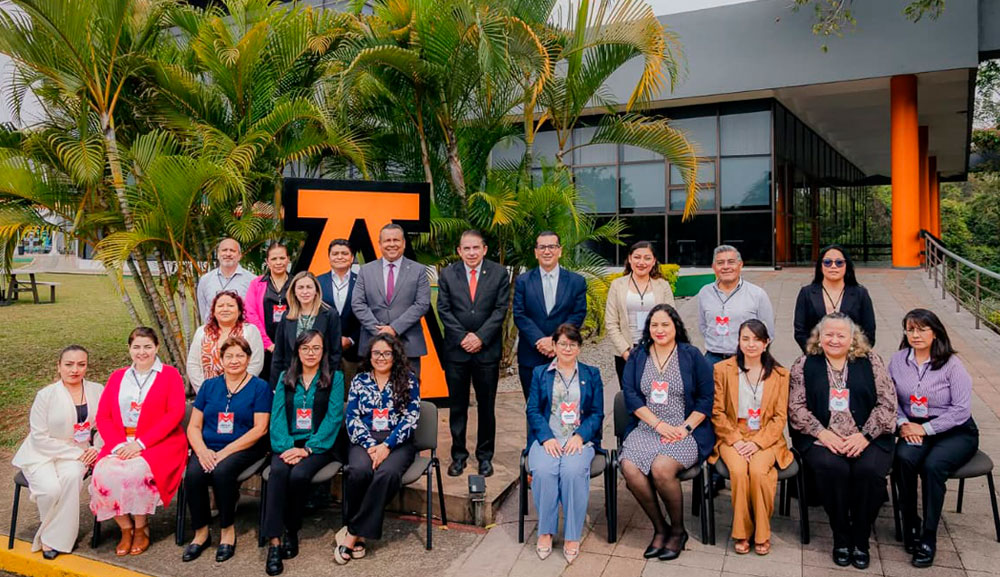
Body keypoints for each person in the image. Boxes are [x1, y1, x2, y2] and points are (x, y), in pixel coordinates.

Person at [788, 313, 895, 570]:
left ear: (852, 338)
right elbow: (796, 407)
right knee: (833, 469)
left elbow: (887, 404)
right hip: (821, 438)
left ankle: (861, 537)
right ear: (819, 337)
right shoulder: (804, 364)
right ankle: (841, 535)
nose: (834, 340)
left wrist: (865, 436)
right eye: (829, 334)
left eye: (841, 335)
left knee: (869, 471)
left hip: (868, 437)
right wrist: (822, 433)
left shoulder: (871, 361)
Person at [619, 304, 714, 562]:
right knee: (629, 467)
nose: (659, 330)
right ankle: (661, 528)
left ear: (676, 327)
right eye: (654, 325)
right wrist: (658, 425)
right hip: (648, 427)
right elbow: (630, 395)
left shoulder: (691, 355)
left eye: (665, 324)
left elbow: (706, 398)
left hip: (685, 430)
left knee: (661, 469)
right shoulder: (638, 355)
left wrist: (684, 428)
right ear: (648, 328)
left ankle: (678, 531)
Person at [888, 308, 977, 568]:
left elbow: (961, 410)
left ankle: (928, 535)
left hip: (955, 430)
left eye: (922, 329)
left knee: (933, 466)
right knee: (904, 458)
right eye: (910, 329)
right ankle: (910, 521)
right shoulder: (898, 360)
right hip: (913, 425)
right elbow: (890, 398)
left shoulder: (952, 364)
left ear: (935, 333)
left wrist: (925, 429)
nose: (915, 335)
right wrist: (903, 424)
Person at [89, 327, 188, 557]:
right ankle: (126, 528)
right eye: (136, 347)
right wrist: (118, 445)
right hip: (120, 442)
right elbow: (103, 416)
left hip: (158, 442)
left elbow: (175, 413)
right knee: (102, 474)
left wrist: (140, 444)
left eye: (147, 347)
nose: (142, 352)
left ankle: (142, 527)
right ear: (129, 349)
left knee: (136, 473)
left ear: (157, 347)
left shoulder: (170, 374)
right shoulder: (118, 376)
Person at [181, 336, 272, 563]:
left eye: (240, 355)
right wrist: (202, 451)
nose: (234, 361)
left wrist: (225, 452)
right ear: (221, 359)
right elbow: (194, 426)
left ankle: (227, 531)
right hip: (209, 446)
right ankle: (201, 533)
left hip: (245, 447)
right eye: (229, 356)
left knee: (222, 472)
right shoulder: (209, 386)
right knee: (193, 475)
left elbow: (260, 429)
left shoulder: (259, 387)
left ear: (248, 359)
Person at [263, 330, 345, 576]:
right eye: (305, 348)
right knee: (278, 472)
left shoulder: (335, 378)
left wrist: (307, 449)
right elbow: (277, 416)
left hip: (319, 445)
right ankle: (274, 543)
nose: (311, 353)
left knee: (299, 475)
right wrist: (288, 446)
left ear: (323, 351)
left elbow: (334, 418)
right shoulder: (285, 377)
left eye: (316, 348)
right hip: (287, 443)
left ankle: (292, 530)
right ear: (297, 351)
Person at [336, 334, 421, 565]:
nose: (381, 358)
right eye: (376, 353)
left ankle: (353, 532)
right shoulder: (360, 380)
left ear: (395, 355)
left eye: (386, 353)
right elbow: (352, 417)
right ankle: (360, 535)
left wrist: (387, 446)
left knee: (387, 474)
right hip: (364, 440)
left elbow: (411, 418)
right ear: (369, 355)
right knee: (358, 471)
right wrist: (371, 445)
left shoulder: (408, 380)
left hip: (397, 442)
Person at [12, 346, 104, 559]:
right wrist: (76, 454)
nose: (75, 370)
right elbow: (39, 437)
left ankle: (56, 540)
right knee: (51, 490)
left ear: (87, 366)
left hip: (80, 450)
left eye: (81, 364)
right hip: (42, 453)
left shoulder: (97, 390)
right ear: (59, 366)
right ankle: (49, 533)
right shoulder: (45, 395)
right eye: (69, 364)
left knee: (72, 477)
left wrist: (96, 448)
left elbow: (103, 426)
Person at [709, 320, 792, 556]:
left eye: (757, 339)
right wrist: (736, 440)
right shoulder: (723, 369)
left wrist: (756, 442)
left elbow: (779, 417)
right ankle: (742, 532)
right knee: (738, 471)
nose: (751, 344)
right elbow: (717, 412)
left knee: (758, 471)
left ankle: (762, 533)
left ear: (766, 343)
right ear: (738, 341)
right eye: (745, 339)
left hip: (765, 435)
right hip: (732, 433)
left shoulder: (780, 374)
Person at [525, 324, 604, 564]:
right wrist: (547, 437)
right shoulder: (540, 373)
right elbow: (532, 409)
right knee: (544, 471)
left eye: (572, 344)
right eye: (562, 344)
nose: (567, 349)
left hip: (578, 440)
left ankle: (572, 535)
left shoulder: (591, 374)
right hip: (548, 438)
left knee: (572, 472)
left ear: (579, 348)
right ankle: (546, 531)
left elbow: (597, 413)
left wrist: (580, 436)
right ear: (554, 346)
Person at [437, 230, 510, 478]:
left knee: (486, 407)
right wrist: (463, 337)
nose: (471, 253)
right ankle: (458, 456)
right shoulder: (448, 274)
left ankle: (484, 456)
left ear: (484, 249)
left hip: (486, 351)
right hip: (456, 352)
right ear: (459, 251)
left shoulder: (499, 273)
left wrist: (480, 337)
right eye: (466, 248)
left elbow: (500, 310)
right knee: (457, 407)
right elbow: (444, 310)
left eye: (475, 248)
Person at [513, 231, 588, 398]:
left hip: (563, 354)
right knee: (533, 406)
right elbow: (519, 314)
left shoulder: (576, 282)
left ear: (559, 251)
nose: (547, 251)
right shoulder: (523, 281)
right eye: (542, 247)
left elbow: (578, 313)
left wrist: (554, 340)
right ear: (536, 252)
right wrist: (540, 340)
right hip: (531, 355)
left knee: (564, 405)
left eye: (552, 247)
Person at [352, 223, 431, 376]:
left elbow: (422, 304)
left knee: (407, 389)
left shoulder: (418, 270)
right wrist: (379, 331)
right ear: (380, 244)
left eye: (396, 240)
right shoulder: (366, 271)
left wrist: (394, 328)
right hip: (373, 344)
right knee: (373, 389)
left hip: (409, 346)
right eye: (387, 240)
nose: (392, 244)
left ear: (404, 243)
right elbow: (358, 303)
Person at [605, 241, 675, 385]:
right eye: (637, 257)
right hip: (627, 350)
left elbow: (671, 319)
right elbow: (611, 322)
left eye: (647, 258)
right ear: (629, 259)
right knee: (629, 394)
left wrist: (661, 347)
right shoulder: (617, 285)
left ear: (654, 261)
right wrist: (625, 351)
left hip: (657, 349)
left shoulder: (662, 285)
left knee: (657, 392)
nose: (641, 262)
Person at [696, 245, 774, 366]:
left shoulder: (757, 294)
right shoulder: (705, 293)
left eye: (731, 262)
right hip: (712, 359)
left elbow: (768, 332)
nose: (726, 267)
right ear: (714, 267)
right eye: (720, 263)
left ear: (740, 265)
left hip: (745, 359)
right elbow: (703, 326)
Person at [793, 244, 876, 353]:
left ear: (846, 265)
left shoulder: (860, 293)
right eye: (827, 262)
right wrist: (816, 352)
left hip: (853, 356)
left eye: (839, 262)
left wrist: (850, 353)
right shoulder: (806, 293)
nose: (833, 266)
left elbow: (869, 332)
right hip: (815, 355)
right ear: (820, 266)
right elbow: (800, 331)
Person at [270, 271, 342, 386]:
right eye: (300, 287)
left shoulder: (330, 315)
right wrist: (275, 386)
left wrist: (328, 381)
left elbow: (335, 353)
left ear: (316, 291)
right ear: (294, 292)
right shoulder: (287, 317)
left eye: (309, 287)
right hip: (290, 380)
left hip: (320, 381)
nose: (305, 291)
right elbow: (278, 354)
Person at [186, 291, 264, 393]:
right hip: (208, 393)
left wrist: (238, 389)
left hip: (242, 391)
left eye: (230, 306)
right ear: (214, 311)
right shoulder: (202, 332)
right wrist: (205, 391)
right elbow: (193, 365)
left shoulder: (250, 331)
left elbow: (256, 363)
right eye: (220, 306)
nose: (225, 309)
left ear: (239, 311)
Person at [245, 243, 292, 383]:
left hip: (291, 344)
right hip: (263, 345)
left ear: (288, 259)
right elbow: (250, 313)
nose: (278, 262)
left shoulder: (296, 282)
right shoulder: (257, 283)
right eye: (274, 259)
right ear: (267, 261)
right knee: (265, 384)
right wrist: (268, 344)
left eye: (282, 258)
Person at [318, 238, 362, 386]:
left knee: (350, 393)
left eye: (344, 253)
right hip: (324, 351)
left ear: (352, 257)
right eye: (335, 253)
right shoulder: (317, 282)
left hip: (354, 352)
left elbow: (367, 314)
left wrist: (351, 339)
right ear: (329, 257)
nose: (340, 257)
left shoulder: (362, 282)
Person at [196, 238, 254, 323]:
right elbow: (204, 310)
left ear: (240, 256)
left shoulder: (252, 280)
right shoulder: (205, 280)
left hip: (242, 329)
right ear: (218, 254)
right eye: (224, 250)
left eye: (232, 251)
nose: (228, 254)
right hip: (213, 330)